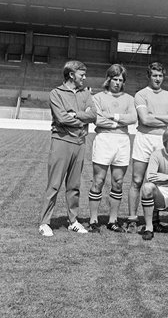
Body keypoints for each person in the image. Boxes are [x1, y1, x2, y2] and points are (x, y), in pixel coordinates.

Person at [39, 60, 97, 236]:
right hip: (61, 141)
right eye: (82, 74)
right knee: (54, 184)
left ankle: (73, 220)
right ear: (72, 75)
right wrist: (81, 119)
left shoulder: (86, 94)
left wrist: (76, 115)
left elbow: (93, 115)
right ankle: (44, 223)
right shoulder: (56, 93)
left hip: (80, 143)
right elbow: (61, 118)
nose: (85, 78)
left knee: (74, 185)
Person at [127, 62, 168, 233]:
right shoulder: (141, 94)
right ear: (149, 76)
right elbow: (145, 120)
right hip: (144, 139)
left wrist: (153, 116)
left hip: (161, 139)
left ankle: (154, 219)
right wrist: (164, 118)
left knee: (156, 180)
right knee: (137, 180)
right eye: (154, 75)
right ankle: (132, 218)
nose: (158, 79)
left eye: (160, 76)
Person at [88, 64, 137, 233]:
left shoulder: (130, 99)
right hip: (104, 140)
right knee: (98, 180)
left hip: (122, 141)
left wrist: (114, 117)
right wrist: (118, 123)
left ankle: (112, 220)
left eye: (121, 80)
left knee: (118, 181)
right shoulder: (98, 97)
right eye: (115, 79)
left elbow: (133, 118)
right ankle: (93, 220)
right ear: (108, 79)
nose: (117, 83)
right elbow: (98, 120)